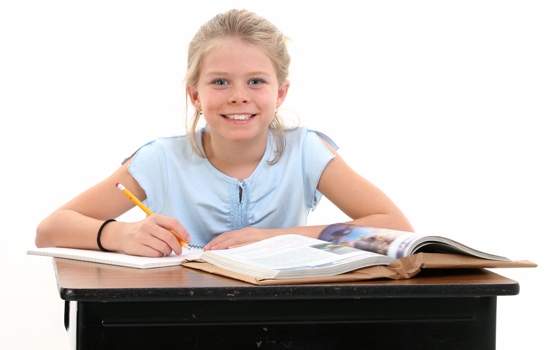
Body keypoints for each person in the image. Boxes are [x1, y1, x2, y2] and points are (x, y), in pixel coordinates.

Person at [35, 9, 414, 257]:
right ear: (195, 94)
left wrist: (276, 238)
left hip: (280, 315)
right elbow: (50, 229)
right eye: (220, 81)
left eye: (255, 81)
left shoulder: (306, 152)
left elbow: (396, 227)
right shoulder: (160, 159)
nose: (238, 97)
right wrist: (122, 235)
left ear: (280, 93)